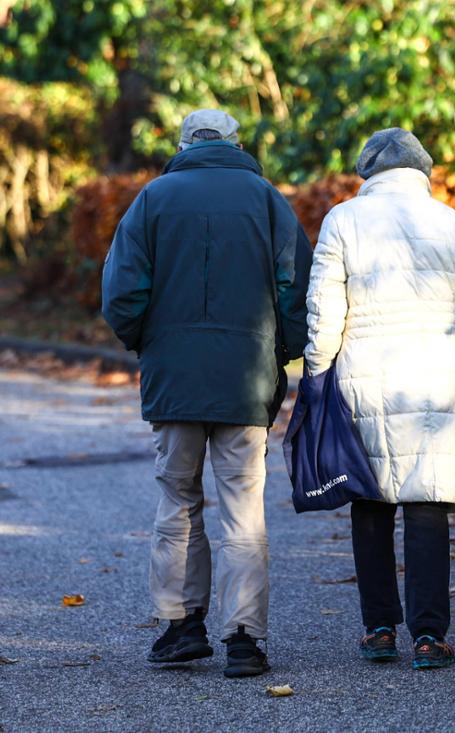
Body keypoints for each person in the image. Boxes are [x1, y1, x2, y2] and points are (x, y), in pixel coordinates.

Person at [101, 109, 312, 678]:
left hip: (175, 379)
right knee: (243, 510)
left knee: (177, 503)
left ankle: (181, 625)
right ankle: (244, 638)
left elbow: (122, 292)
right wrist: (281, 353)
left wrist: (149, 343)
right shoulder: (267, 200)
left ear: (183, 144)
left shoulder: (152, 198)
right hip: (246, 379)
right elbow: (297, 288)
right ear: (236, 143)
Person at [302, 128, 455, 670]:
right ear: (422, 171)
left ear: (370, 173)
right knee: (428, 504)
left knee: (372, 500)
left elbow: (324, 307)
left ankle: (380, 628)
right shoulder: (450, 221)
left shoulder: (343, 219)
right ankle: (430, 637)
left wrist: (317, 371)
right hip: (437, 375)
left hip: (366, 375)